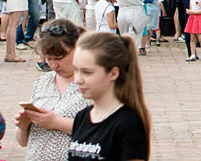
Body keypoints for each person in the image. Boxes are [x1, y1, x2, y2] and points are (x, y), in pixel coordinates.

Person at [69, 30, 150, 160]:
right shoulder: (82, 117)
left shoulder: (127, 123)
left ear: (113, 74)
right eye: (76, 70)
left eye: (87, 72)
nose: (78, 79)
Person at [13, 18, 85, 161]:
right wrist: (23, 126)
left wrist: (57, 122)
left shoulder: (92, 82)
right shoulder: (42, 83)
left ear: (76, 48)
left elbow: (104, 128)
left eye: (58, 58)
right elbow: (23, 142)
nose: (52, 65)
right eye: (47, 59)